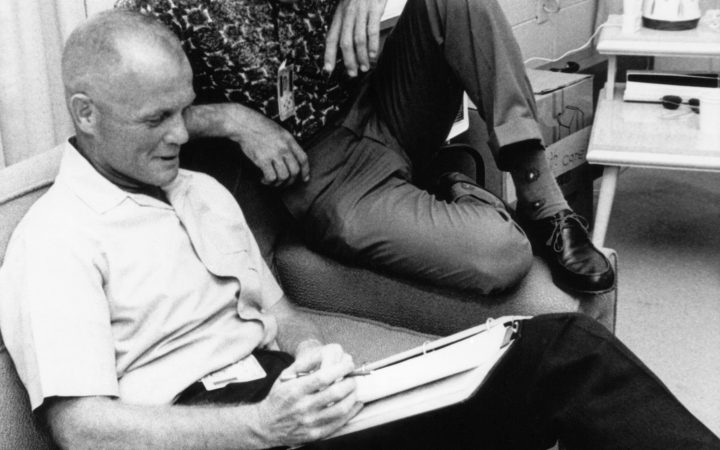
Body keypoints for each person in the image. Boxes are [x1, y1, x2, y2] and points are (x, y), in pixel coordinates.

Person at [0, 10, 718, 450]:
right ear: (86, 114)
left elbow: (281, 315)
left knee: (562, 349)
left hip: (292, 400)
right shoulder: (55, 239)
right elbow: (79, 427)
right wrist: (260, 427)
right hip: (217, 425)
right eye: (157, 119)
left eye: (184, 110)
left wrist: (311, 352)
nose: (182, 134)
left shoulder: (202, 193)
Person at [116, 0, 615, 296]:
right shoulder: (163, 9)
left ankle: (544, 203)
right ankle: (448, 185)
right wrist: (231, 119)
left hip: (380, 102)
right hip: (321, 171)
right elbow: (122, 107)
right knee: (501, 255)